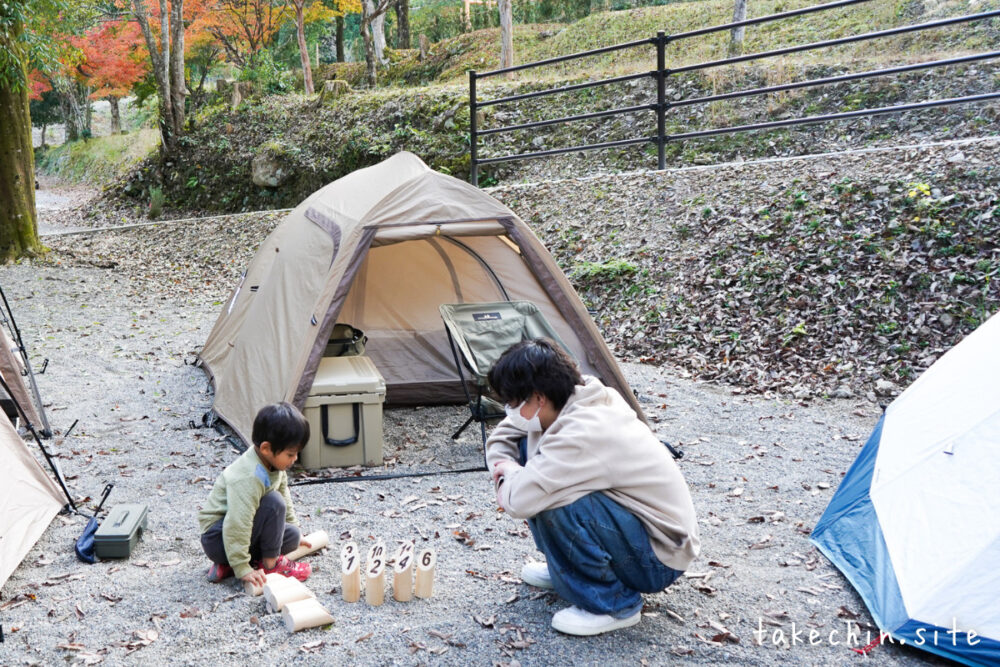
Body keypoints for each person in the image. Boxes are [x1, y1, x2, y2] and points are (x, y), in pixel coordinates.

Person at [486, 338, 700, 636]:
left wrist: (506, 472)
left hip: (659, 556)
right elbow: (502, 437)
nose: (508, 411)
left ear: (539, 398)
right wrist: (507, 468)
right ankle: (568, 569)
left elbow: (519, 502)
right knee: (532, 462)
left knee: (555, 501)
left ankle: (614, 605)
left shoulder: (584, 429)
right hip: (638, 528)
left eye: (512, 402)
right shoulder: (574, 394)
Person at [199, 402, 313, 587]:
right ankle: (269, 564)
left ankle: (228, 565)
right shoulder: (248, 477)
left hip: (240, 533)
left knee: (291, 535)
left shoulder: (272, 462)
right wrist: (242, 567)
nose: (295, 459)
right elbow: (238, 522)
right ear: (267, 448)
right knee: (273, 502)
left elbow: (284, 492)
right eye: (291, 454)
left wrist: (294, 526)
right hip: (218, 538)